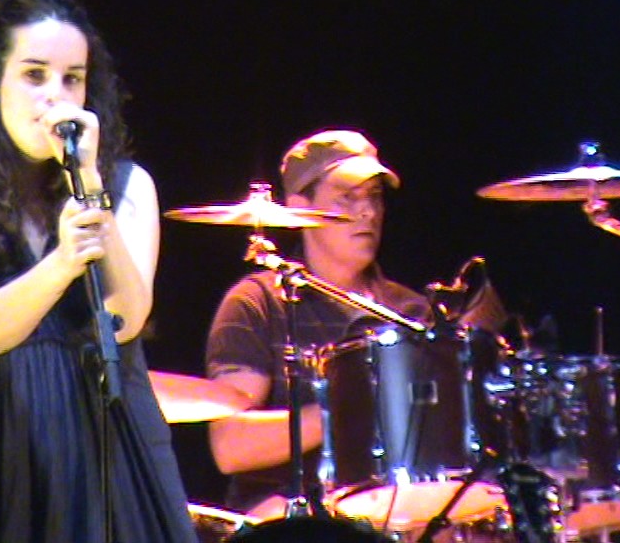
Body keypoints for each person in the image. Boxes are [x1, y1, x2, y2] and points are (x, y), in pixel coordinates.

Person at [0, 0, 196, 543]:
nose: (57, 98)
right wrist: (61, 262)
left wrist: (89, 187)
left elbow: (126, 319)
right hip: (4, 471)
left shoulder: (126, 186)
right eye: (34, 76)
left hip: (121, 466)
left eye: (72, 79)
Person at [204, 129, 508, 523]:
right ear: (299, 209)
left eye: (374, 197)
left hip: (399, 513)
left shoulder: (410, 313)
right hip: (289, 517)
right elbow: (231, 447)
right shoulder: (256, 303)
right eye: (347, 197)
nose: (367, 212)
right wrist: (350, 407)